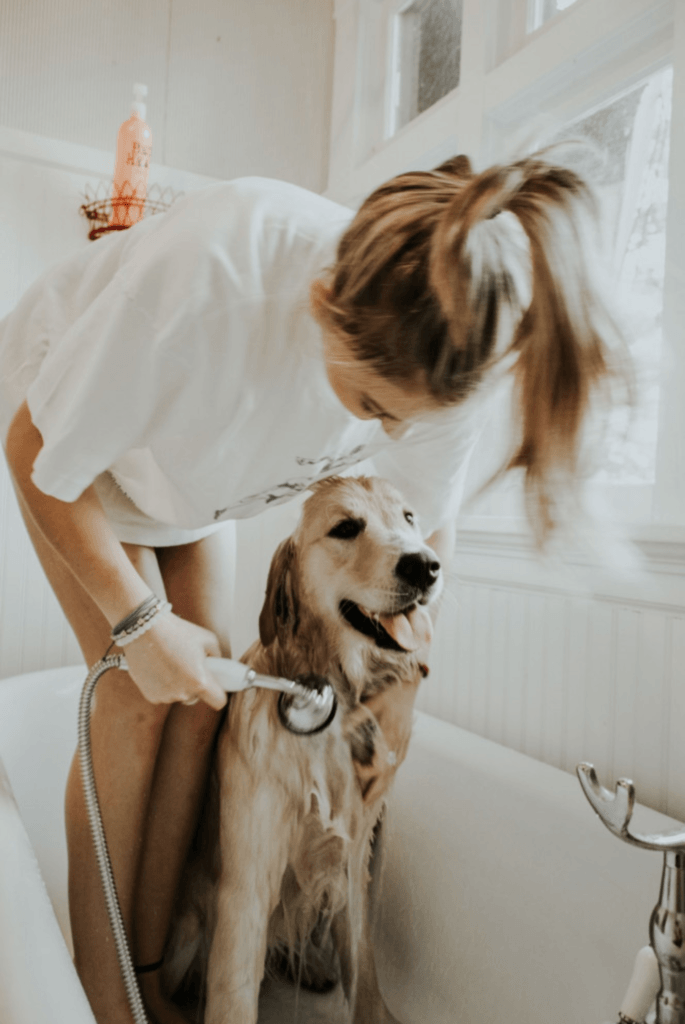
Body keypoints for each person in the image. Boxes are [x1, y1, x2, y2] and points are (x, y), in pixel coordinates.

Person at [0, 151, 625, 1024]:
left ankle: (145, 969)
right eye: (374, 406)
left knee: (204, 701)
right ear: (325, 309)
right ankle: (103, 995)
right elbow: (34, 458)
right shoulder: (212, 281)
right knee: (137, 702)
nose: (392, 431)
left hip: (197, 472)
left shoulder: (444, 355)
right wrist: (138, 624)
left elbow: (427, 532)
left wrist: (400, 666)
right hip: (72, 439)